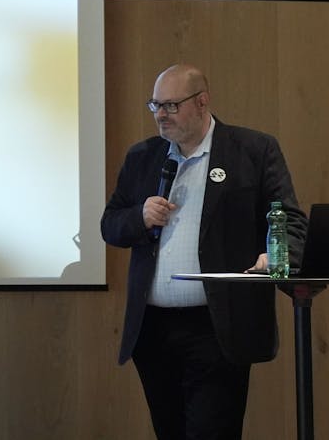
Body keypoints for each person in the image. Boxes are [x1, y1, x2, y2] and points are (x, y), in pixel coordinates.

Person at [100, 63, 307, 440]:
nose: (161, 115)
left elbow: (291, 220)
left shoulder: (252, 150)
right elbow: (110, 225)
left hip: (217, 326)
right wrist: (139, 217)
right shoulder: (143, 157)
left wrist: (275, 257)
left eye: (171, 106)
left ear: (202, 102)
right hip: (154, 329)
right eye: (155, 105)